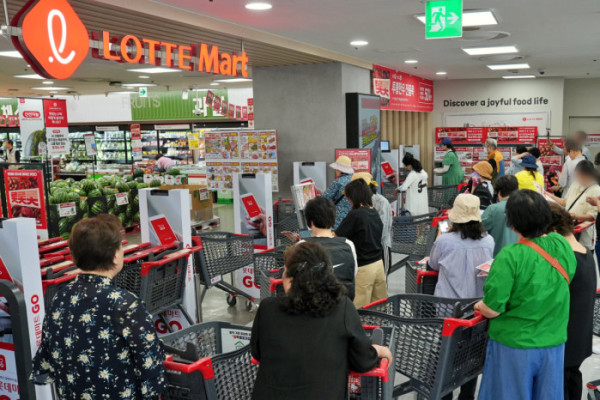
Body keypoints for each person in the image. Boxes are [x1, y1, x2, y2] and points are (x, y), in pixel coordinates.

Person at [31, 215, 167, 399]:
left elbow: (47, 356)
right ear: (115, 255)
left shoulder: (59, 298)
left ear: (74, 256)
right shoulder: (126, 304)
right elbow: (150, 362)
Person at [250, 241, 392, 400]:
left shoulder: (267, 308)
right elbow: (362, 361)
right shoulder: (342, 308)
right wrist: (378, 351)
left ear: (290, 280)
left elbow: (257, 353)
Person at [475, 190, 577, 400]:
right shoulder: (561, 245)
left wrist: (479, 306)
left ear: (512, 223)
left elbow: (493, 309)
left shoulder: (510, 256)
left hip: (515, 346)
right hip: (553, 343)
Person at [430, 193, 494, 400]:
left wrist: (440, 237)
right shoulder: (488, 241)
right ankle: (467, 395)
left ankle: (445, 394)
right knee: (472, 353)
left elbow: (433, 264)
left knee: (446, 353)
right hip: (477, 308)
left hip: (448, 309)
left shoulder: (444, 241)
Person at [546, 204, 597, 400]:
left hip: (564, 338)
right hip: (580, 337)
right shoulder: (584, 253)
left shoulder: (566, 258)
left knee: (560, 386)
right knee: (573, 377)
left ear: (553, 231)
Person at [335, 179, 387, 308]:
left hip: (364, 268)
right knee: (379, 308)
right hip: (379, 265)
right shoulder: (373, 212)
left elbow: (336, 236)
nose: (348, 201)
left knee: (359, 309)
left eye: (348, 197)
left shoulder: (356, 215)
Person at [303, 196, 358, 299]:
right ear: (333, 218)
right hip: (343, 303)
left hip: (313, 304)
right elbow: (353, 274)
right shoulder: (348, 244)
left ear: (311, 222)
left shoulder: (302, 245)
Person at [548, 160, 600, 251]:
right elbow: (565, 202)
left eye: (580, 176)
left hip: (583, 233)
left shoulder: (596, 190)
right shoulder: (575, 184)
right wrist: (550, 196)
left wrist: (576, 216)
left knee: (582, 252)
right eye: (577, 175)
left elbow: (592, 216)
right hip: (569, 228)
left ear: (588, 175)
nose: (578, 178)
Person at [352, 172, 393, 274]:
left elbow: (382, 229)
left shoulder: (381, 202)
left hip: (380, 248)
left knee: (381, 279)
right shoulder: (358, 203)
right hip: (364, 251)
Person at [482, 175, 519, 256]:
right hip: (519, 255)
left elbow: (479, 228)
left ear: (499, 192)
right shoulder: (525, 207)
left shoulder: (493, 209)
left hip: (498, 255)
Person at [323, 155, 355, 229]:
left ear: (341, 170)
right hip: (352, 217)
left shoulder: (338, 182)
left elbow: (325, 198)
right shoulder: (355, 180)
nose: (336, 170)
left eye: (337, 169)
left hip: (338, 218)